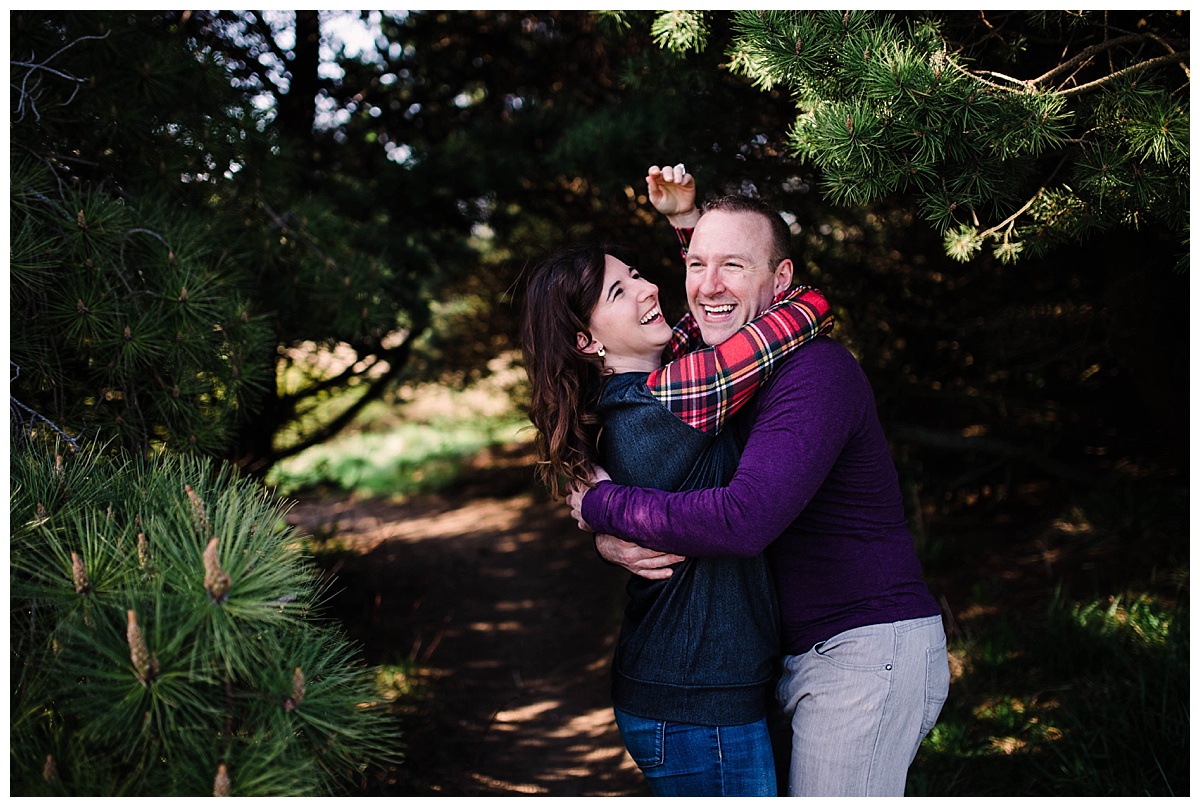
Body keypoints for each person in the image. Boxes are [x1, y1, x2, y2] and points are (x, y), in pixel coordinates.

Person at [569, 166, 951, 797]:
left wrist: (602, 504)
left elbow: (742, 519)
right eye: (696, 265)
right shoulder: (726, 377)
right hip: (792, 656)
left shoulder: (815, 373)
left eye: (736, 267)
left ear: (783, 281)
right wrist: (604, 533)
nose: (708, 285)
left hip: (864, 650)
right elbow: (693, 332)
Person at [519, 169, 835, 796]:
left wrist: (688, 230)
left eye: (636, 273)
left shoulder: (656, 390)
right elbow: (793, 314)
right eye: (618, 292)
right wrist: (795, 290)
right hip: (694, 701)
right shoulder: (663, 406)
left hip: (700, 691)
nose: (646, 287)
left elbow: (715, 316)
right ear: (586, 341)